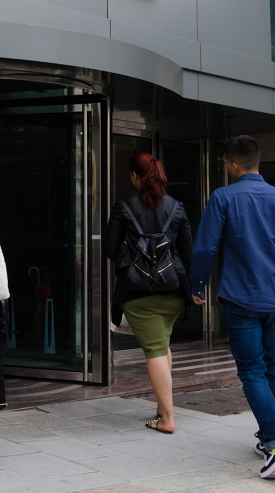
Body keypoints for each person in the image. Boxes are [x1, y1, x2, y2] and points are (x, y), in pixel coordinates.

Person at [189, 135, 275, 480]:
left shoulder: (223, 197)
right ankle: (269, 439)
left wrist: (196, 284)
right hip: (274, 300)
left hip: (240, 299)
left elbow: (206, 248)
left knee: (251, 370)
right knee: (267, 368)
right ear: (257, 162)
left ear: (233, 165)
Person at [106, 152, 192, 434]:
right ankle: (161, 408)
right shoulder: (177, 208)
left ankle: (167, 419)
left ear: (134, 177)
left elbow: (109, 249)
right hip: (174, 289)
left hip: (138, 292)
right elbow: (188, 252)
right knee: (162, 345)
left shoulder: (123, 207)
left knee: (154, 350)